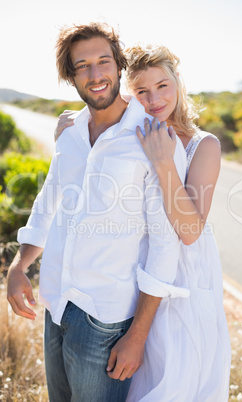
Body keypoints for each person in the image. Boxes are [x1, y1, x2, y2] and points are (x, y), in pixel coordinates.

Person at [6, 24, 188, 402]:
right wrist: (18, 266)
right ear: (69, 75)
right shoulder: (70, 132)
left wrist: (136, 337)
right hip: (56, 303)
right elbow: (48, 203)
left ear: (119, 66)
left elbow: (165, 245)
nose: (95, 74)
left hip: (106, 321)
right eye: (82, 65)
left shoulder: (151, 138)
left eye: (104, 61)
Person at [56, 44, 231, 401]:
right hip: (137, 278)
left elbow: (190, 232)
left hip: (182, 281)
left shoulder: (202, 145)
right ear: (128, 93)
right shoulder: (128, 133)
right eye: (142, 91)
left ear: (177, 82)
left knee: (170, 383)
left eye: (162, 85)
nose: (154, 99)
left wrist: (164, 162)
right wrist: (74, 122)